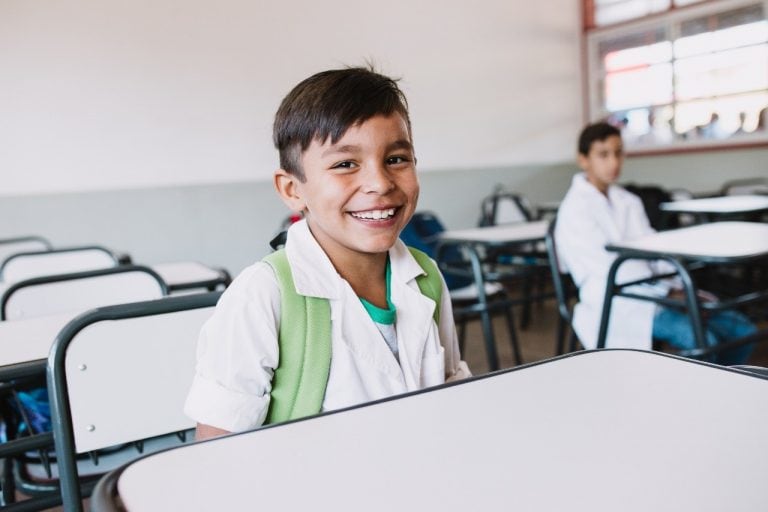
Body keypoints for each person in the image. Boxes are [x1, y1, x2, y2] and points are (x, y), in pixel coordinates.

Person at [184, 67, 471, 440]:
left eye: (397, 159)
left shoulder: (426, 275)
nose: (380, 183)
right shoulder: (264, 295)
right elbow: (216, 446)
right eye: (345, 164)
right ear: (292, 189)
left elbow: (452, 395)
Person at [555, 121, 755, 364]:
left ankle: (720, 385)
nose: (614, 162)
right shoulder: (575, 209)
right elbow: (611, 269)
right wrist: (668, 292)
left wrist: (678, 284)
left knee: (744, 332)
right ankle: (701, 393)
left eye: (618, 152)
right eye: (603, 155)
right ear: (584, 159)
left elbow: (653, 247)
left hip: (657, 289)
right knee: (705, 341)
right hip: (615, 299)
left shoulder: (628, 200)